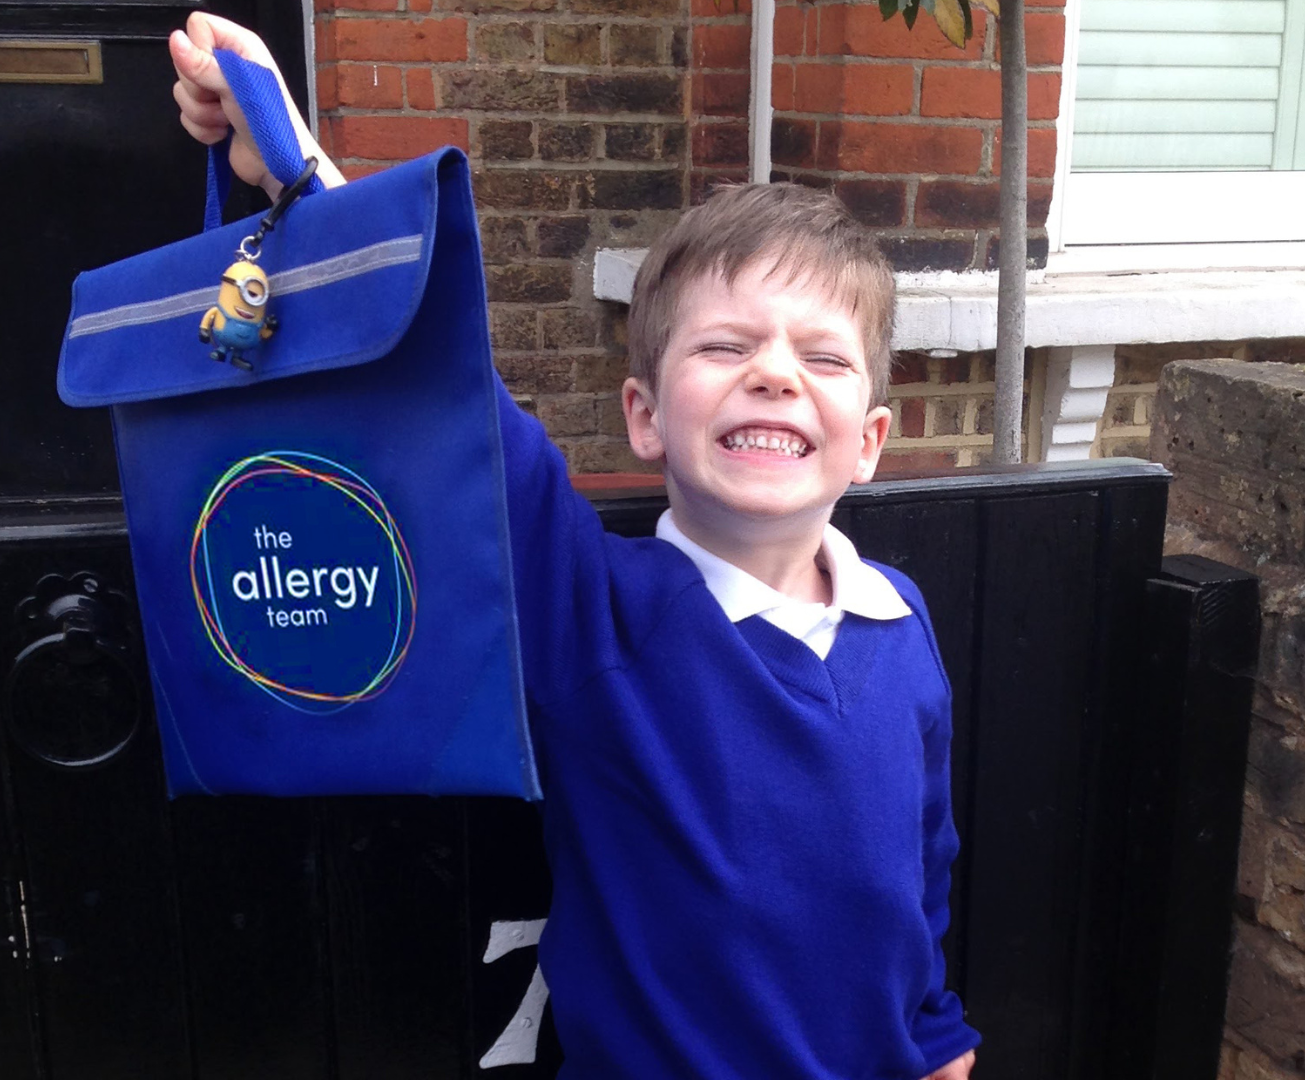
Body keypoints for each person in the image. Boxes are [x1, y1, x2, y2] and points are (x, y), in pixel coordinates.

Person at [170, 14, 980, 1079]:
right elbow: (450, 384)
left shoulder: (902, 620)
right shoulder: (595, 607)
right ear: (644, 417)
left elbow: (922, 871)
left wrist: (935, 1039)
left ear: (870, 440)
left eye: (823, 358)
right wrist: (292, 162)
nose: (776, 373)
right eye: (726, 345)